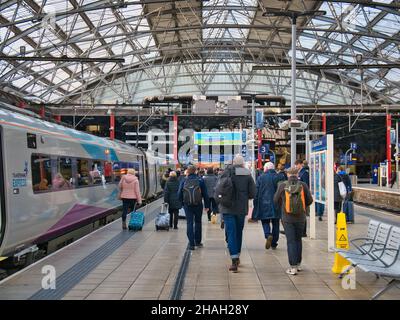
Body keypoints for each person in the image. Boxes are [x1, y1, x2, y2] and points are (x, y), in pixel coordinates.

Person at [217, 155, 256, 272]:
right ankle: (237, 256)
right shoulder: (247, 174)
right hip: (240, 209)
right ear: (242, 164)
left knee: (231, 232)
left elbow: (218, 189)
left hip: (227, 208)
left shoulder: (225, 172)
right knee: (238, 232)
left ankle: (234, 258)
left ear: (233, 163)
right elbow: (252, 193)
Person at [274, 167, 313, 275]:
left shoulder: (282, 185)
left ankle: (293, 267)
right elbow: (310, 200)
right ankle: (299, 264)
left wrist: (284, 206)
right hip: (301, 218)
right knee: (298, 240)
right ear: (297, 174)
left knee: (290, 241)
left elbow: (275, 199)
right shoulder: (303, 185)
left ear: (287, 174)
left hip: (287, 218)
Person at [252, 162, 283, 250]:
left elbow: (256, 192)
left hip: (263, 203)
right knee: (275, 222)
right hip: (277, 203)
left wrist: (255, 203)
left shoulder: (261, 177)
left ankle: (268, 234)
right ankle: (274, 243)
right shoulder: (279, 177)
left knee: (265, 221)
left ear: (265, 168)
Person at [178, 165, 210, 250]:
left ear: (187, 172)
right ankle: (198, 242)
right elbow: (205, 194)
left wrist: (181, 204)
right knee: (198, 222)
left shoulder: (184, 180)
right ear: (195, 171)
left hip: (187, 205)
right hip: (198, 204)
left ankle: (191, 244)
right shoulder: (200, 180)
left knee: (189, 223)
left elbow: (179, 194)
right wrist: (207, 206)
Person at [295, 159, 310, 237]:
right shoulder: (300, 172)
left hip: (303, 196)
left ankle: (303, 232)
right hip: (300, 196)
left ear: (300, 164)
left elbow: (306, 185)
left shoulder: (304, 173)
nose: (296, 166)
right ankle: (301, 231)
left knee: (303, 215)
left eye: (297, 165)